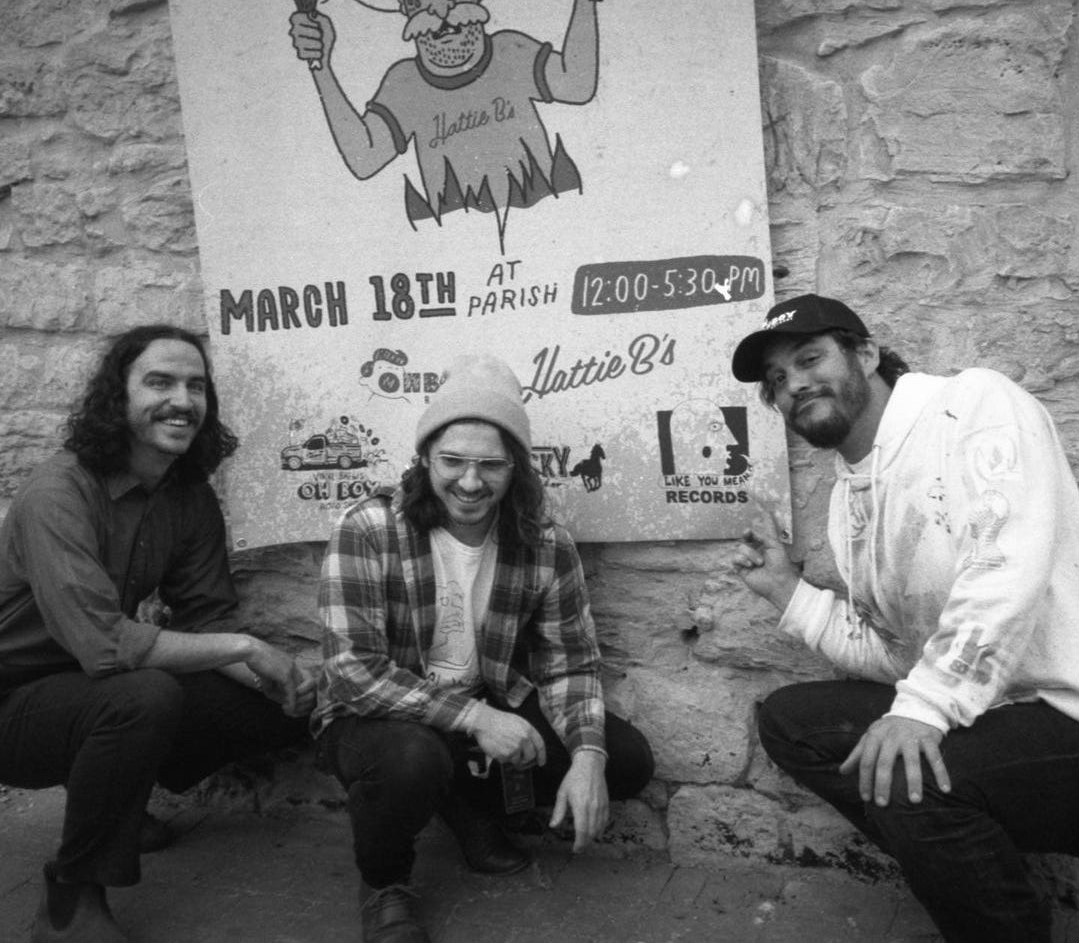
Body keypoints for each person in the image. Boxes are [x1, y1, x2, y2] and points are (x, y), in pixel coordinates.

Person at [728, 293, 1079, 942]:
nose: (792, 384)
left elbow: (1006, 565)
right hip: (981, 710)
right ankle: (958, 864)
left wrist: (921, 709)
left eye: (808, 358)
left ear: (864, 354)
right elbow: (897, 655)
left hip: (1062, 708)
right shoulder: (845, 500)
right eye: (775, 380)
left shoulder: (972, 404)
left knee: (901, 782)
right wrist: (787, 593)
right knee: (790, 722)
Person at [314, 353, 653, 943]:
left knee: (624, 760)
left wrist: (588, 756)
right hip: (381, 714)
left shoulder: (544, 543)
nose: (470, 483)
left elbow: (569, 662)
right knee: (411, 759)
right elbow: (352, 672)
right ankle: (385, 883)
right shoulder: (369, 528)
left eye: (491, 466)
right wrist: (475, 717)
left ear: (515, 469)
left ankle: (471, 808)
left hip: (482, 698)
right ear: (424, 460)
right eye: (452, 462)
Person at [0, 325, 316, 943]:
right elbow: (104, 646)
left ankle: (115, 801)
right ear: (117, 399)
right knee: (144, 695)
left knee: (275, 703)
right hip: (12, 699)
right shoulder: (57, 493)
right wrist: (252, 648)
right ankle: (71, 901)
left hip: (83, 689)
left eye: (196, 386)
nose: (183, 399)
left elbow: (205, 616)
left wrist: (278, 676)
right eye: (160, 382)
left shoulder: (187, 496)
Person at [288, 0, 613, 235]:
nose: (442, 3)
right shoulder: (404, 84)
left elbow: (576, 85)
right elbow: (364, 158)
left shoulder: (511, 51)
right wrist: (321, 66)